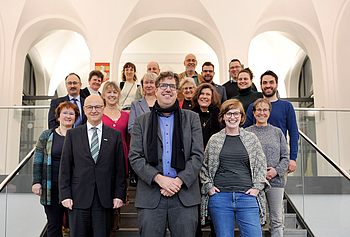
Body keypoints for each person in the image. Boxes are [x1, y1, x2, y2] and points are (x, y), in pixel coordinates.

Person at [129, 71, 204, 237]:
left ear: (177, 91)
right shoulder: (142, 121)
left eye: (172, 86)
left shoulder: (192, 118)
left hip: (184, 195)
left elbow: (198, 155)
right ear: (155, 90)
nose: (168, 89)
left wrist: (178, 181)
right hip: (151, 195)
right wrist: (159, 179)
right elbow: (135, 156)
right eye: (163, 85)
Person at [59, 95, 127, 237]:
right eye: (90, 107)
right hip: (77, 199)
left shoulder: (114, 135)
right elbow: (65, 168)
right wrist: (65, 195)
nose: (94, 110)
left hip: (104, 200)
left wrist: (119, 195)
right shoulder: (73, 135)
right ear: (84, 109)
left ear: (103, 109)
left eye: (97, 107)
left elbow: (120, 169)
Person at [200, 99, 267, 237]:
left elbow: (261, 165)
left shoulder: (251, 138)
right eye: (229, 113)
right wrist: (209, 187)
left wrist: (256, 188)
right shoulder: (215, 140)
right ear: (223, 117)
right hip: (220, 198)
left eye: (236, 113)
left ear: (242, 117)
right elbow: (204, 167)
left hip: (247, 197)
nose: (232, 117)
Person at [32, 101, 79, 237]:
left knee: (76, 225)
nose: (68, 116)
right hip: (50, 188)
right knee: (53, 225)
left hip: (73, 189)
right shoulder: (47, 135)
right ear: (58, 117)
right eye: (65, 113)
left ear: (75, 117)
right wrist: (36, 182)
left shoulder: (79, 136)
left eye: (72, 113)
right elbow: (38, 160)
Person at [246, 98, 289, 237]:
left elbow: (285, 157)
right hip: (253, 183)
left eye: (265, 110)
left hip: (275, 181)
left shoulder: (277, 132)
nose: (262, 113)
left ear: (269, 113)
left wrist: (276, 171)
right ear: (253, 112)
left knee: (276, 220)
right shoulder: (246, 133)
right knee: (255, 220)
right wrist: (258, 173)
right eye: (258, 110)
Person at [245, 70, 299, 173]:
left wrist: (292, 158)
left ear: (276, 85)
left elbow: (294, 133)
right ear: (260, 86)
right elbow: (244, 132)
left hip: (279, 160)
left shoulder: (286, 106)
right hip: (255, 161)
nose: (268, 85)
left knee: (278, 188)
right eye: (264, 83)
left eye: (271, 82)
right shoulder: (253, 107)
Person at [191, 83, 221, 148]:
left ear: (212, 97)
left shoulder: (218, 114)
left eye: (208, 94)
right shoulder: (191, 115)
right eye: (202, 93)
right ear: (197, 96)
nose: (204, 97)